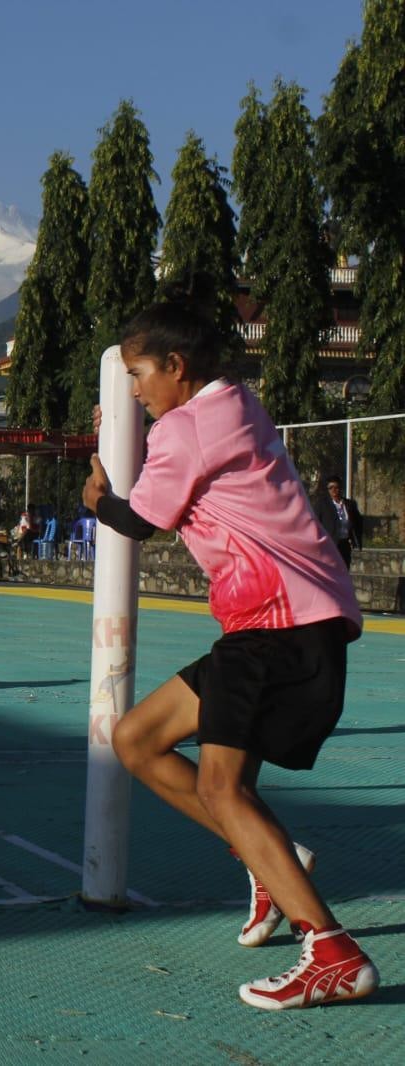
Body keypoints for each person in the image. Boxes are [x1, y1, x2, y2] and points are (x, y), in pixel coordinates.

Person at [82, 290, 378, 1011]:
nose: (134, 390)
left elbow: (140, 519)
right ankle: (267, 860)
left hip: (279, 625)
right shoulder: (230, 403)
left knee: (222, 789)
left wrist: (94, 497)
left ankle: (331, 951)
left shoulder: (186, 430)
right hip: (268, 624)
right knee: (136, 739)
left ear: (174, 365)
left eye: (138, 374)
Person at [313, 475, 362, 569]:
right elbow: (315, 523)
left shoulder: (349, 504)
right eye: (330, 488)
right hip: (329, 545)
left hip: (344, 544)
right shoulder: (322, 505)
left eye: (336, 487)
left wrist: (355, 539)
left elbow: (358, 522)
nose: (334, 490)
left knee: (344, 569)